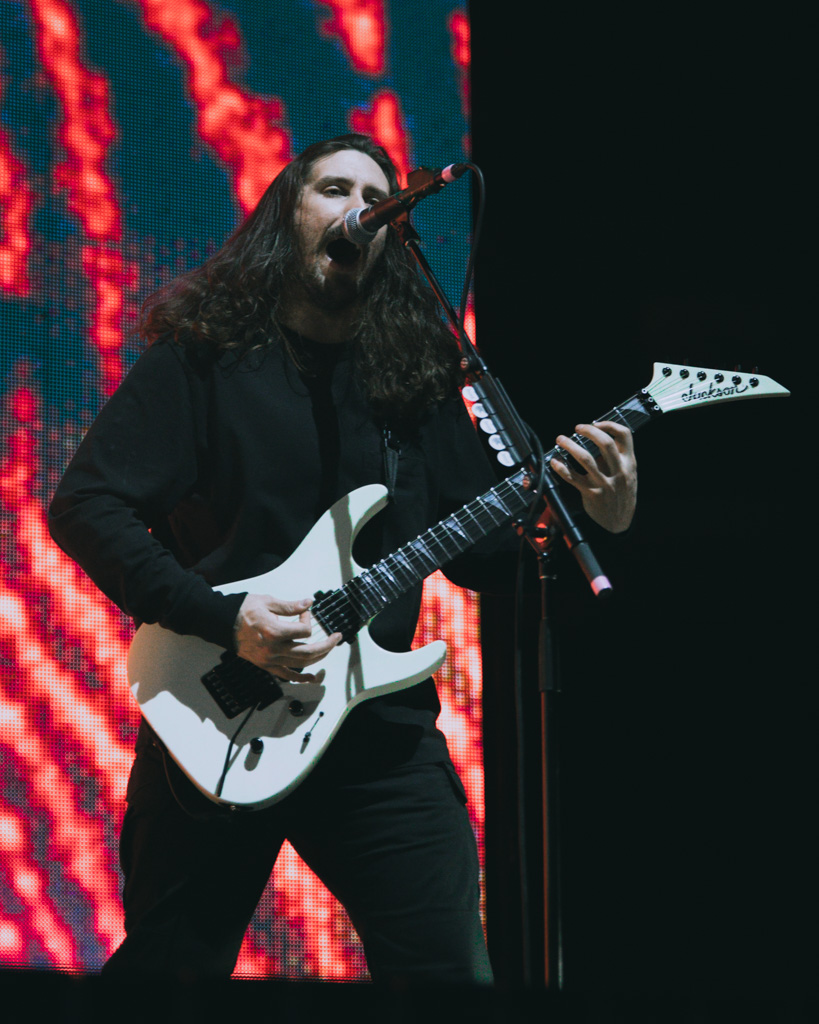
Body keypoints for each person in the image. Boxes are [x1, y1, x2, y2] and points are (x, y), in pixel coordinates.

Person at [48, 134, 637, 984]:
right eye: (334, 188)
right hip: (216, 708)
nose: (360, 207)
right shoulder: (204, 360)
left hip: (379, 738)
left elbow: (486, 559)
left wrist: (597, 516)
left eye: (377, 196)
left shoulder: (418, 382)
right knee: (166, 978)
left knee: (447, 978)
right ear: (286, 216)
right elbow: (85, 505)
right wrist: (225, 618)